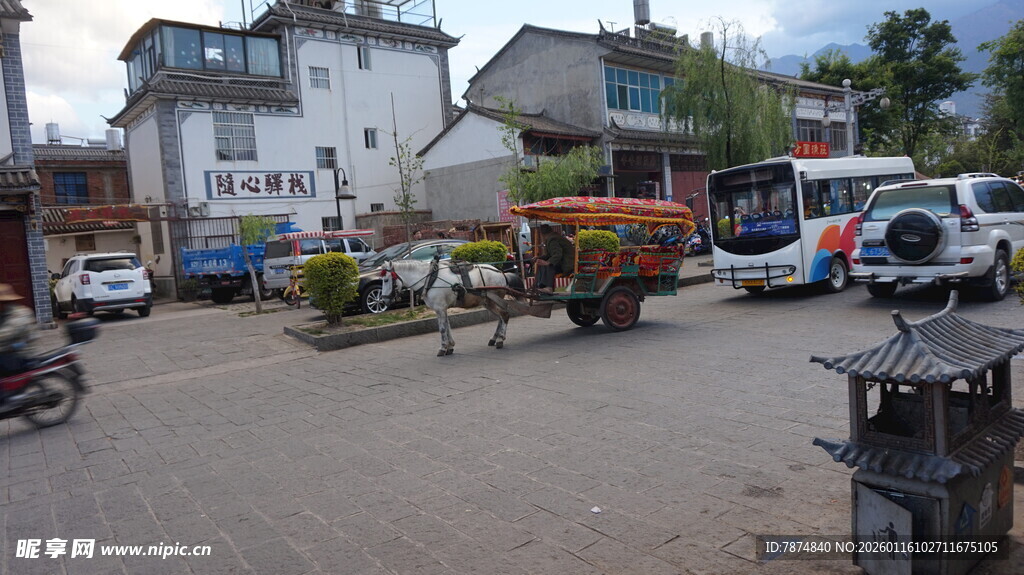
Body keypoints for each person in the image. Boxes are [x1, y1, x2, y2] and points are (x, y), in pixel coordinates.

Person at [0, 284, 36, 377]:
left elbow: (5, 334)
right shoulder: (7, 313)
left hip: (21, 355)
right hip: (12, 352)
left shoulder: (18, 314)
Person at [533, 224, 574, 293]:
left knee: (548, 264)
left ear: (542, 234)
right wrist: (539, 258)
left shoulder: (552, 239)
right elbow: (550, 254)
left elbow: (557, 255)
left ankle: (549, 287)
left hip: (567, 265)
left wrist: (548, 262)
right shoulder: (553, 237)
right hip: (564, 262)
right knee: (541, 262)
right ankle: (540, 285)